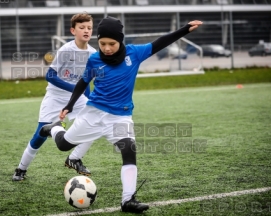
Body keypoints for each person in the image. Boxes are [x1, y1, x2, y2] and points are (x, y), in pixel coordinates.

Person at [39, 16, 203, 213]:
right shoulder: (94, 59)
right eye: (102, 44)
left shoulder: (134, 54)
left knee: (129, 150)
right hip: (94, 113)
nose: (107, 48)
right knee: (64, 145)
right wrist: (69, 105)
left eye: (112, 44)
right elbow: (83, 82)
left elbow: (161, 42)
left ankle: (128, 200)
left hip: (120, 116)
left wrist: (185, 30)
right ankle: (53, 128)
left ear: (120, 41)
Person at [12, 13, 97, 181]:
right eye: (82, 28)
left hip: (77, 98)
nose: (86, 31)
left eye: (89, 28)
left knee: (95, 122)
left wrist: (86, 98)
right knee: (40, 136)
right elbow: (50, 76)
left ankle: (74, 159)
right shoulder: (66, 50)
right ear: (73, 30)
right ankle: (21, 169)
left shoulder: (93, 53)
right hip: (55, 98)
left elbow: (86, 81)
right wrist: (74, 90)